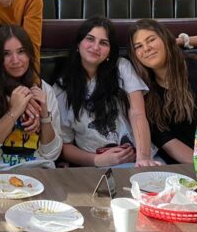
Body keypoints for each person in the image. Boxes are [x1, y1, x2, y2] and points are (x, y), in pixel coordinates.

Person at [128, 19, 197, 164]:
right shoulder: (144, 92)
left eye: (151, 40)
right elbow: (167, 142)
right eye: (138, 46)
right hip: (179, 167)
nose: (146, 48)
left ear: (167, 40)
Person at [55, 17, 158, 168]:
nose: (96, 47)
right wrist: (97, 160)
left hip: (139, 159)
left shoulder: (121, 67)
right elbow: (64, 145)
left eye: (103, 43)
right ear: (78, 44)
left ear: (110, 51)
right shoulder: (61, 87)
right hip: (97, 167)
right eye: (90, 39)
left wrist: (143, 158)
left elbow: (137, 113)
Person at [0, 25, 62, 170]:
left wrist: (44, 115)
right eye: (6, 54)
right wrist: (14, 111)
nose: (15, 60)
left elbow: (52, 154)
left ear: (30, 54)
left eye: (21, 52)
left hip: (40, 174)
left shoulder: (44, 90)